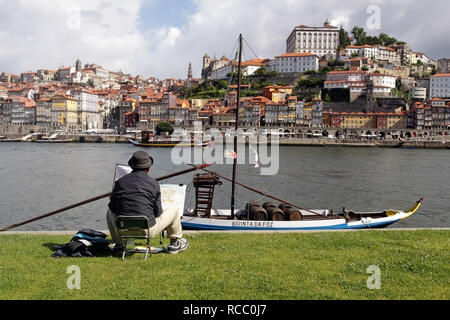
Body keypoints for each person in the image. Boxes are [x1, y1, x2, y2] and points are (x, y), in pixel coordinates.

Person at [107, 151, 188, 254]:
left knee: (109, 212)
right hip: (147, 229)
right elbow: (158, 213)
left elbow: (113, 208)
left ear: (132, 166)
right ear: (148, 169)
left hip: (123, 229)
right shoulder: (153, 184)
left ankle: (118, 245)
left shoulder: (120, 182)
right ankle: (174, 244)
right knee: (174, 211)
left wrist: (115, 199)